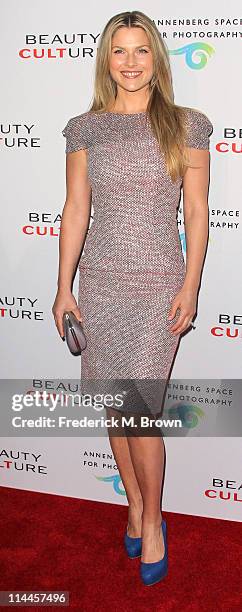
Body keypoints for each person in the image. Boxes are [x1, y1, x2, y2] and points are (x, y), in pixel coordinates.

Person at [52, 10, 213, 586]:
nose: (129, 62)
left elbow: (196, 211)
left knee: (139, 411)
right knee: (113, 407)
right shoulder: (85, 128)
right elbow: (76, 209)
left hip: (158, 286)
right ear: (106, 60)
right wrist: (64, 286)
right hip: (100, 284)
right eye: (118, 51)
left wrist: (191, 283)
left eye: (141, 50)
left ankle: (154, 522)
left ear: (157, 58)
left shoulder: (188, 125)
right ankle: (137, 505)